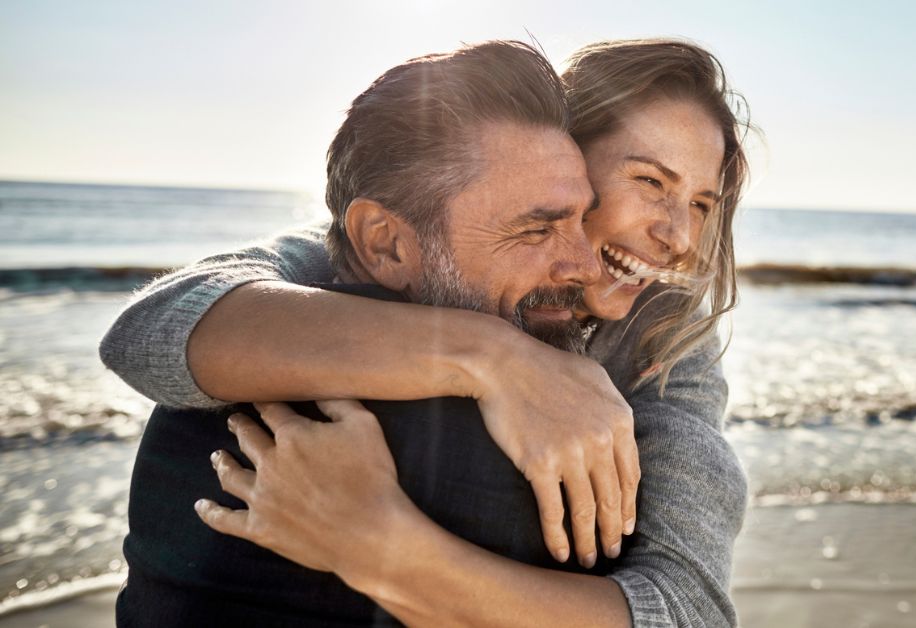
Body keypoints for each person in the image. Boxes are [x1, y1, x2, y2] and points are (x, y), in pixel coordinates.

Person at [102, 38, 750, 626]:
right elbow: (150, 333)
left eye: (700, 204)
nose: (681, 236)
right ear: (568, 156)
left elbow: (688, 607)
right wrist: (495, 358)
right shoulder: (370, 256)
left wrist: (380, 547)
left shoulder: (667, 340)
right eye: (648, 181)